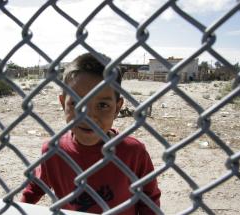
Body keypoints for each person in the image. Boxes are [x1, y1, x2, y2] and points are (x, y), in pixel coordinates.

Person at [21, 53, 161, 214]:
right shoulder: (53, 151)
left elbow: (149, 201)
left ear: (117, 107)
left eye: (102, 105)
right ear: (63, 103)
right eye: (76, 103)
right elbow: (34, 190)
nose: (87, 116)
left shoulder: (134, 153)